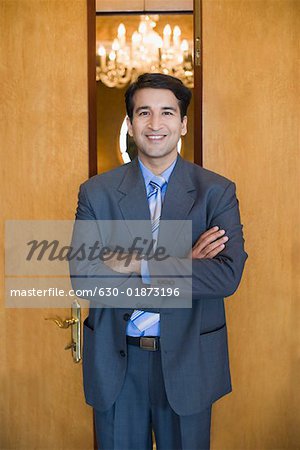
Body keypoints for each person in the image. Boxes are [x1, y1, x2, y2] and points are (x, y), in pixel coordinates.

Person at [71, 73, 247, 450]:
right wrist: (184, 262)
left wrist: (136, 264)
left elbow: (226, 277)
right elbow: (86, 279)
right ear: (131, 124)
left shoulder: (216, 191)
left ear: (182, 124)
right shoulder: (96, 193)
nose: (155, 124)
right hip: (119, 362)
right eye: (143, 113)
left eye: (167, 112)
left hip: (188, 361)